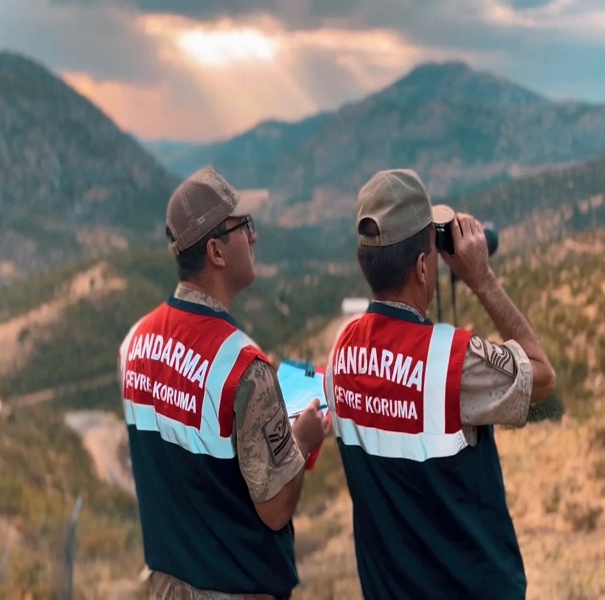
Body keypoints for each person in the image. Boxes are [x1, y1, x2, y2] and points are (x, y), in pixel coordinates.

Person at [323, 168, 557, 599]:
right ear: (422, 268)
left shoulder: (340, 353)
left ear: (363, 263)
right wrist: (481, 278)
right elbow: (542, 376)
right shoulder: (451, 363)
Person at [117, 166, 330, 600]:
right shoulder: (245, 368)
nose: (254, 237)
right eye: (244, 227)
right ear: (216, 251)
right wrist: (303, 442)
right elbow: (275, 510)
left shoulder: (133, 343)